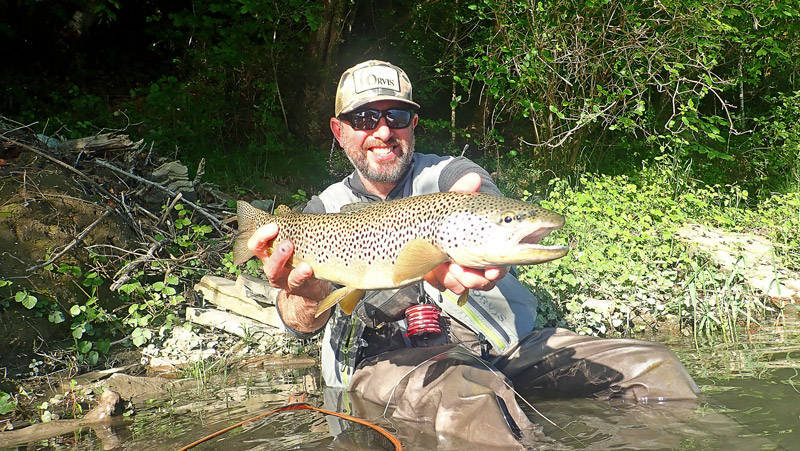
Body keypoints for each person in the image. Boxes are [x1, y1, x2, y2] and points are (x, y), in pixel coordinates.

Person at [246, 60, 699, 447]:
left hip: (498, 345)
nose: (383, 131)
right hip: (389, 360)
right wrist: (305, 292)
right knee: (475, 403)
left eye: (397, 115)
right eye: (365, 118)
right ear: (339, 129)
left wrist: (488, 239)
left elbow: (485, 203)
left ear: (414, 123)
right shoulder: (319, 214)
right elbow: (300, 323)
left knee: (656, 369)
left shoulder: (454, 177)